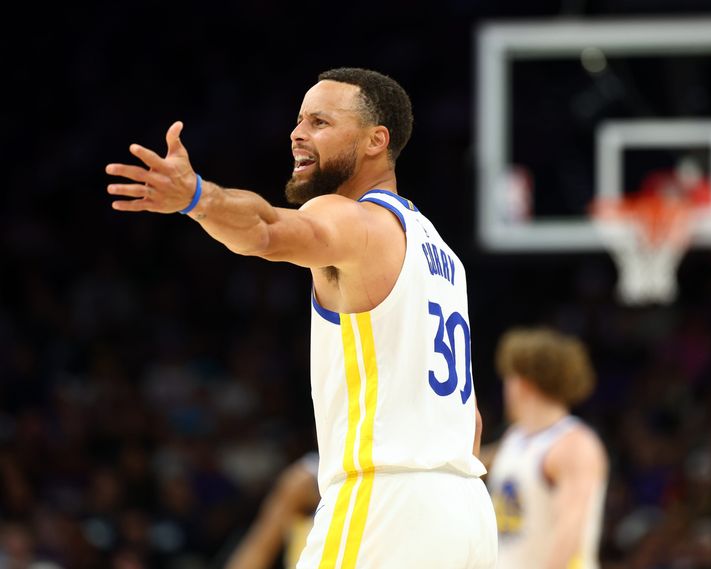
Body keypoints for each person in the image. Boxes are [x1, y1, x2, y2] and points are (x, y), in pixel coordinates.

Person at [105, 67, 497, 569]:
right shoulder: (441, 254)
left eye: (319, 122)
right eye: (298, 120)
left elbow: (267, 229)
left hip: (386, 502)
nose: (297, 133)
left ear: (377, 139)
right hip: (467, 511)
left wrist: (198, 198)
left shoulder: (353, 218)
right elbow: (473, 421)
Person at [485, 327, 607, 569]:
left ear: (523, 382)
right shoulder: (516, 438)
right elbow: (474, 461)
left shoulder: (575, 445)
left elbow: (569, 532)